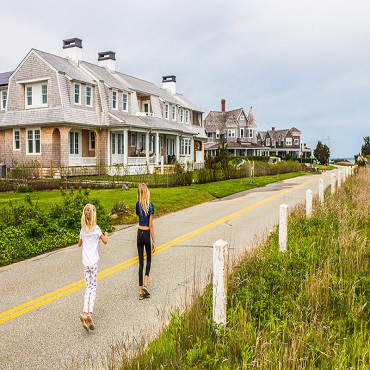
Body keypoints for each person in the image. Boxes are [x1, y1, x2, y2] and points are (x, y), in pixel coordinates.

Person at [78, 203, 108, 331]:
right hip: (93, 262)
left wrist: (83, 238)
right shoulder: (96, 229)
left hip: (86, 263)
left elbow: (79, 244)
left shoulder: (83, 230)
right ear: (93, 216)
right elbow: (105, 241)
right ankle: (90, 313)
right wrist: (106, 234)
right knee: (93, 287)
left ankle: (85, 313)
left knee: (87, 287)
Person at [136, 183, 156, 300]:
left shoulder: (137, 205)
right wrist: (154, 241)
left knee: (140, 263)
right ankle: (145, 283)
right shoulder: (151, 206)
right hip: (147, 234)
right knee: (148, 259)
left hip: (139, 233)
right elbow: (151, 225)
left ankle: (140, 292)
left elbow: (139, 216)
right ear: (147, 192)